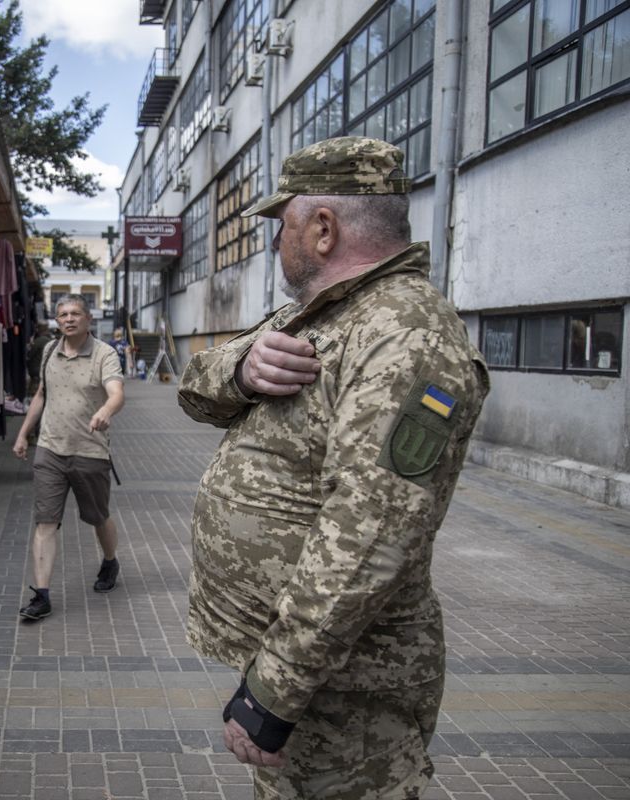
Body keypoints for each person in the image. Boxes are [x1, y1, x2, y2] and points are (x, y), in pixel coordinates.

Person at [177, 137, 490, 798]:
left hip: (345, 687)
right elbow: (194, 388)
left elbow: (373, 530)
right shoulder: (323, 313)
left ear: (323, 228)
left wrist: (274, 687)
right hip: (306, 672)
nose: (274, 241)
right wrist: (241, 369)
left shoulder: (405, 334)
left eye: (281, 222)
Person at [13, 294, 126, 621]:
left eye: (76, 313)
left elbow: (117, 393)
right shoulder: (50, 350)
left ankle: (110, 561)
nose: (69, 319)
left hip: (89, 451)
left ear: (88, 318)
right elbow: (41, 394)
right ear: (57, 320)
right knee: (45, 522)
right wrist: (23, 434)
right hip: (50, 450)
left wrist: (106, 410)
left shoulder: (104, 354)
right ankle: (42, 595)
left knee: (98, 517)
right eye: (63, 314)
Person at [26, 321, 53, 397]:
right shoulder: (50, 340)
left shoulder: (38, 341)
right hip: (47, 368)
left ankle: (32, 393)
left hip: (36, 369)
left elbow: (29, 355)